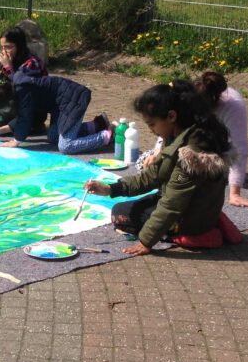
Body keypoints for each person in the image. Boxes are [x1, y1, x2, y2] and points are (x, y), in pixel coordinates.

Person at [84, 82, 233, 257]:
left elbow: (172, 204)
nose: (150, 130)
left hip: (188, 218)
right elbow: (152, 176)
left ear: (171, 116)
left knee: (120, 214)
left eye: (152, 124)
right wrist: (111, 188)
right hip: (190, 205)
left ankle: (191, 236)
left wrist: (146, 241)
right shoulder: (180, 134)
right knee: (128, 207)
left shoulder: (192, 151)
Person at [0, 73, 112, 154]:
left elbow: (25, 119)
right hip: (60, 104)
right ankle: (96, 125)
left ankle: (107, 135)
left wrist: (16, 141)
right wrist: (1, 130)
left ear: (5, 101)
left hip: (73, 99)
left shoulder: (22, 91)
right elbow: (25, 116)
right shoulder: (12, 88)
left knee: (66, 146)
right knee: (53, 137)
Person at [196, 71, 248, 208]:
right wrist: (158, 151)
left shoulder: (234, 106)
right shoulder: (184, 98)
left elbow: (239, 149)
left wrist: (235, 193)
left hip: (218, 145)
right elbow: (169, 125)